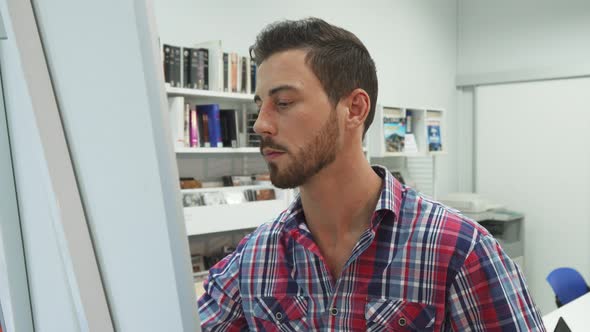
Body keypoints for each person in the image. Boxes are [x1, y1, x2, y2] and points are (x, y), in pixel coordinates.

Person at [198, 17, 545, 331]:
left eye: (284, 102)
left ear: (355, 108)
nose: (260, 124)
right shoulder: (256, 257)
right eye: (260, 105)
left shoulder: (460, 250)